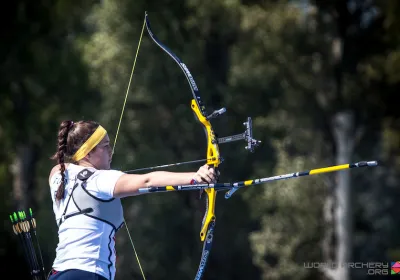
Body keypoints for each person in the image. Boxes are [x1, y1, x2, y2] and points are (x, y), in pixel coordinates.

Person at [47, 120, 218, 280]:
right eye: (105, 146)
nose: (110, 151)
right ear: (88, 152)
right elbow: (147, 181)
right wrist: (196, 177)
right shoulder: (98, 180)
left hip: (59, 273)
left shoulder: (58, 176)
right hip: (89, 272)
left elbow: (63, 168)